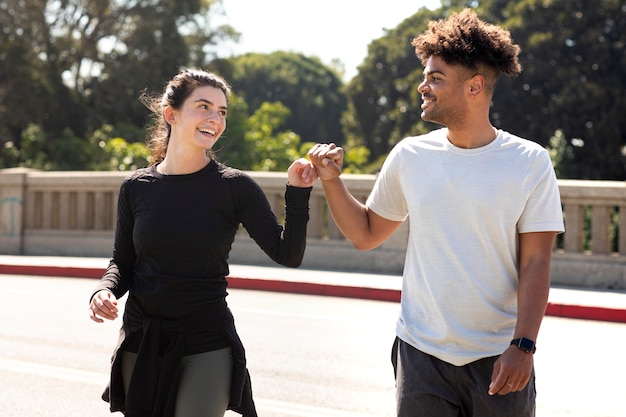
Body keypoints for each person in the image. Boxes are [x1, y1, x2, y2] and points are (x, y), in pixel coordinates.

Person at [308, 9, 564, 417]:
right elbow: (366, 234)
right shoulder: (411, 155)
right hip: (420, 356)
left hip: (500, 357)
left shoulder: (528, 161)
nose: (422, 86)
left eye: (435, 78)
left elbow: (536, 261)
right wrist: (331, 180)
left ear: (474, 86)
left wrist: (524, 345)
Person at [89, 68, 317, 417]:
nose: (215, 118)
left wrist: (298, 193)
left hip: (206, 340)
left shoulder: (234, 187)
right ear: (171, 114)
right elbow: (123, 261)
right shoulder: (136, 187)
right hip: (143, 339)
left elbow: (288, 254)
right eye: (204, 106)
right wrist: (103, 291)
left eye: (222, 111)